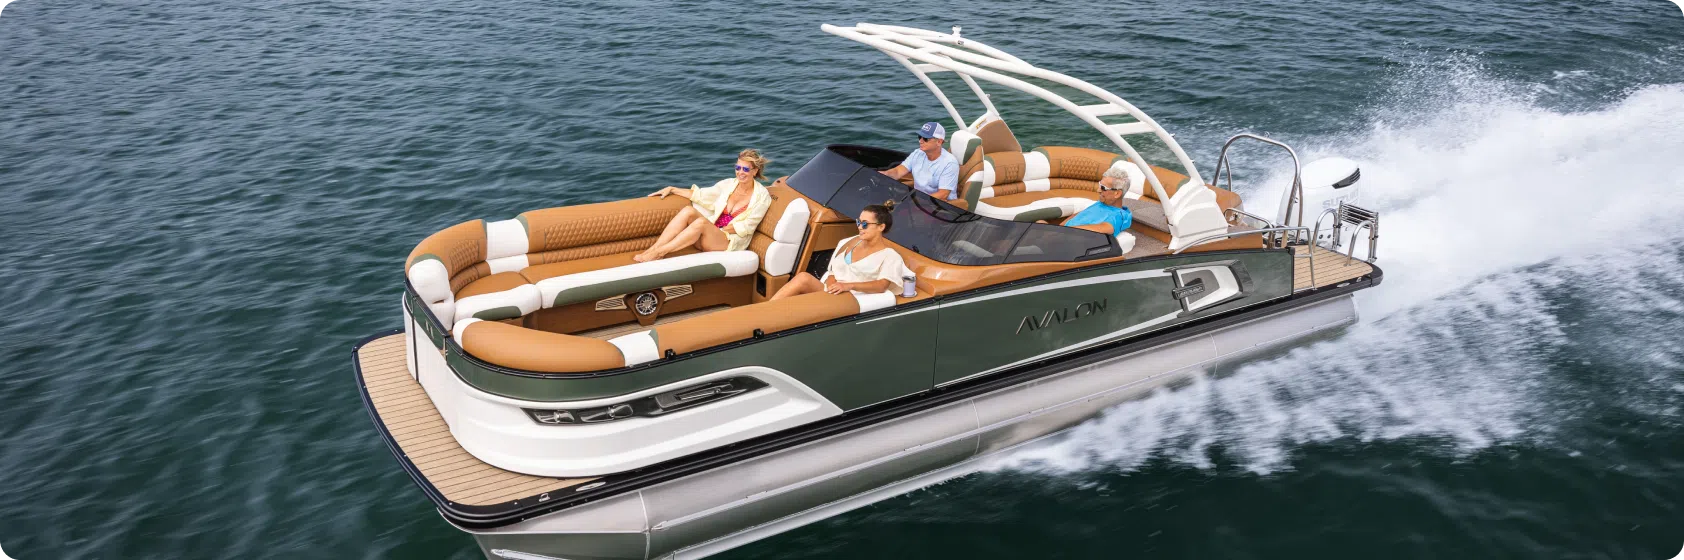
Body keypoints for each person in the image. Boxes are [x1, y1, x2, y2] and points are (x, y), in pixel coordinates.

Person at [636, 149, 773, 262]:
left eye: (745, 169)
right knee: (688, 211)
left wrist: (716, 230)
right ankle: (653, 249)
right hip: (710, 234)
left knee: (701, 222)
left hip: (729, 242)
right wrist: (673, 189)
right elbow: (702, 195)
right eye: (737, 167)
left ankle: (660, 252)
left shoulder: (762, 196)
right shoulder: (729, 184)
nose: (740, 172)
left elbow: (747, 226)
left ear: (755, 171)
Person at [771, 202, 914, 300]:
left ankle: (763, 314)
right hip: (833, 291)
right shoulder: (849, 242)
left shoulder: (890, 256)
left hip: (853, 298)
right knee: (801, 282)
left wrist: (848, 285)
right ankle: (765, 313)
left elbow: (881, 286)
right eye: (858, 222)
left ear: (881, 227)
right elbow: (833, 270)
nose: (860, 227)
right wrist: (832, 280)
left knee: (803, 279)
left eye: (865, 224)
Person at [881, 121, 959, 201]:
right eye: (920, 137)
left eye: (925, 139)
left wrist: (913, 201)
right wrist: (884, 174)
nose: (920, 141)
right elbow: (898, 172)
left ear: (939, 142)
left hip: (939, 207)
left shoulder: (949, 163)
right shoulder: (917, 153)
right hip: (918, 201)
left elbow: (943, 195)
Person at [1060, 164, 1135, 235]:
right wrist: (1059, 228)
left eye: (1103, 188)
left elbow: (1104, 228)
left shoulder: (1118, 216)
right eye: (1100, 185)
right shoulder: (1103, 203)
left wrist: (1061, 232)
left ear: (1117, 193)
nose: (1098, 190)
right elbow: (1079, 215)